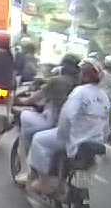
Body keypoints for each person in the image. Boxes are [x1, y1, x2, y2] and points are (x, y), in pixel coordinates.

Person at [27, 58, 111, 195]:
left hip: (75, 139)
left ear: (84, 75)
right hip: (95, 142)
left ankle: (44, 183)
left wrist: (63, 135)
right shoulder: (104, 97)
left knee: (38, 139)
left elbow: (66, 116)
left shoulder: (80, 92)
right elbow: (106, 126)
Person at [13, 55, 81, 185]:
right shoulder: (80, 86)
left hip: (55, 125)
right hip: (76, 129)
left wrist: (20, 101)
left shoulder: (57, 81)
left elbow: (34, 98)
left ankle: (29, 172)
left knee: (25, 118)